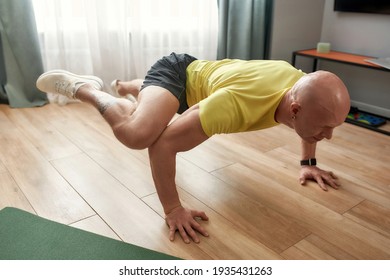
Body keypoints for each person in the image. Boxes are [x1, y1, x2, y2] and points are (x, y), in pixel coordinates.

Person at [36, 52, 350, 244]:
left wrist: (307, 160)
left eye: (333, 126)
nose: (329, 136)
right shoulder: (238, 105)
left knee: (151, 110)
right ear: (294, 110)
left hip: (207, 85)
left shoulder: (302, 86)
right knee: (138, 133)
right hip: (180, 75)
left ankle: (136, 87)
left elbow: (312, 115)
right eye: (325, 128)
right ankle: (87, 88)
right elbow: (164, 146)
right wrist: (173, 209)